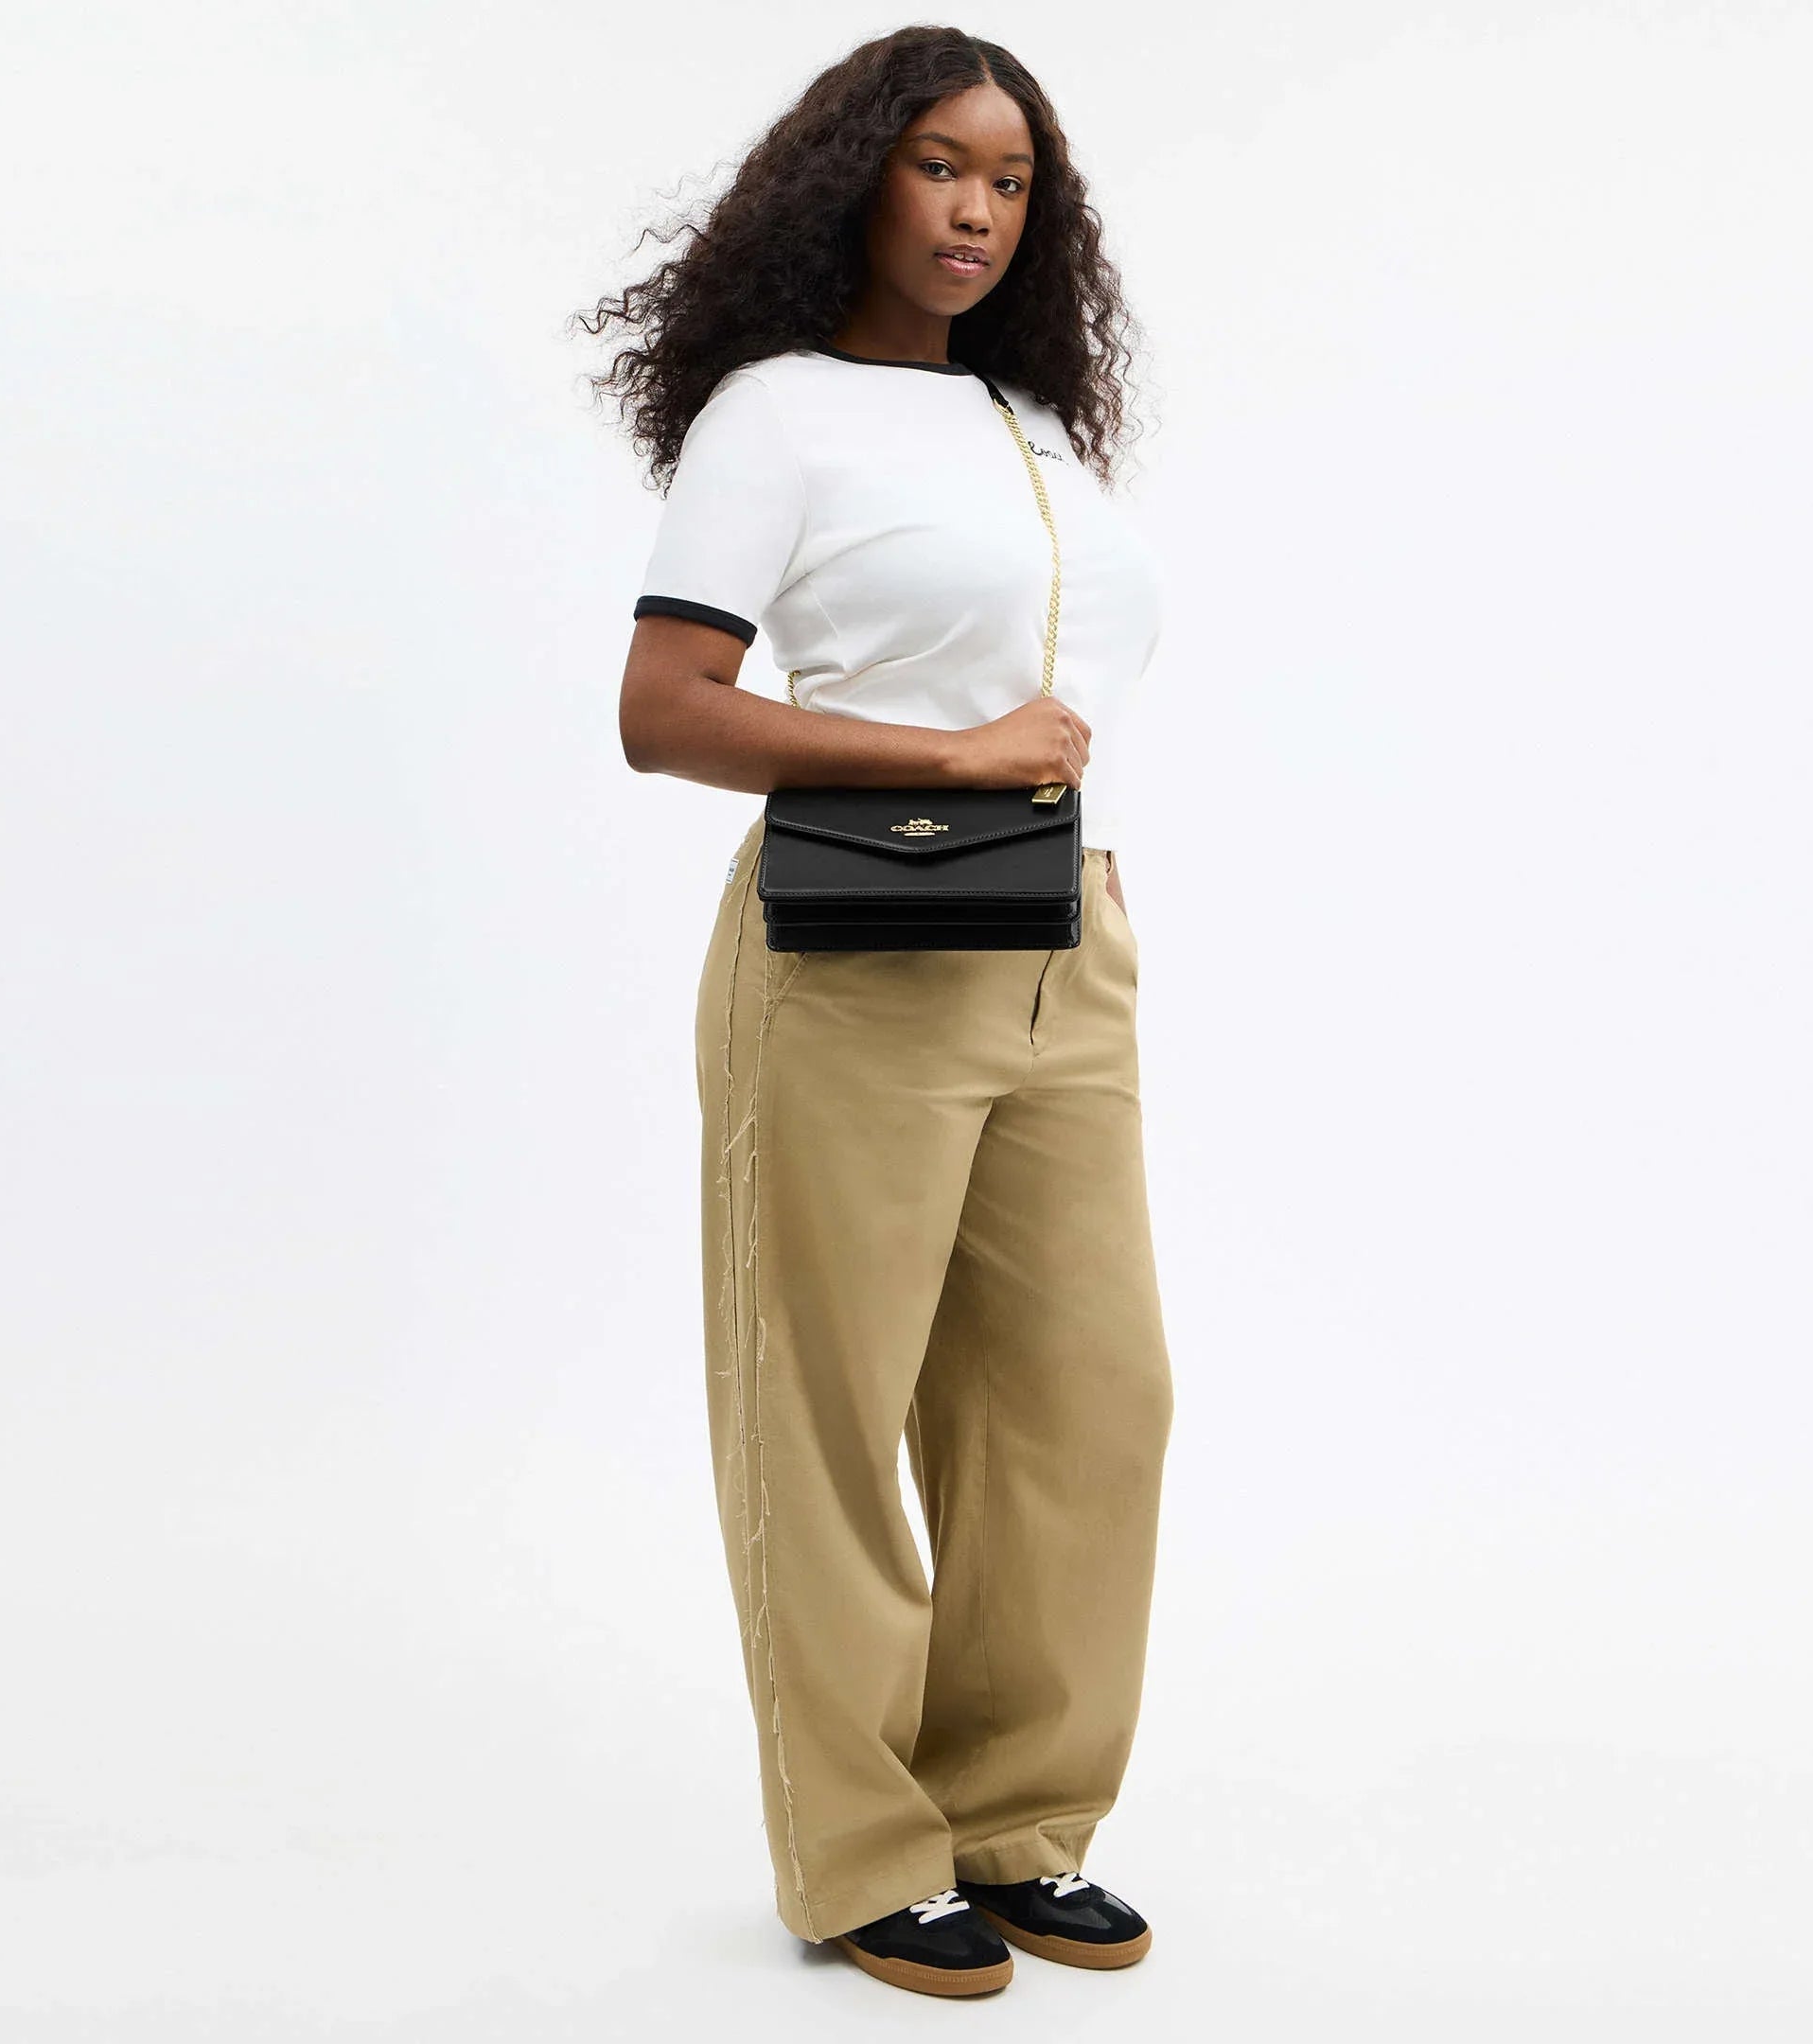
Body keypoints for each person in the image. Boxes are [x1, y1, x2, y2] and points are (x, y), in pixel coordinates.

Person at [579, 26, 1175, 2000]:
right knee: (825, 1408)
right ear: (855, 178)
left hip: (1064, 948)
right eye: (939, 165)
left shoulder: (1035, 422)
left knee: (1085, 1401)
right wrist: (952, 755)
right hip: (851, 959)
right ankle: (859, 1852)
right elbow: (664, 712)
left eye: (1011, 181)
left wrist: (1060, 823)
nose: (977, 209)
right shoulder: (776, 415)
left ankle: (1013, 1819)